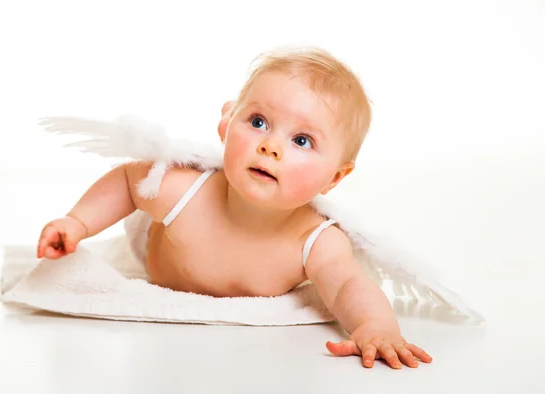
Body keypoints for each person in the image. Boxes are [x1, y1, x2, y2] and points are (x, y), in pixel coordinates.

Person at [36, 46, 432, 369]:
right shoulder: (184, 189)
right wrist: (78, 222)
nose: (271, 146)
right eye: (258, 122)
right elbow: (127, 182)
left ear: (335, 177)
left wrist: (376, 327)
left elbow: (349, 284)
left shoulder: (315, 239)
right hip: (159, 243)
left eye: (302, 141)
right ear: (227, 122)